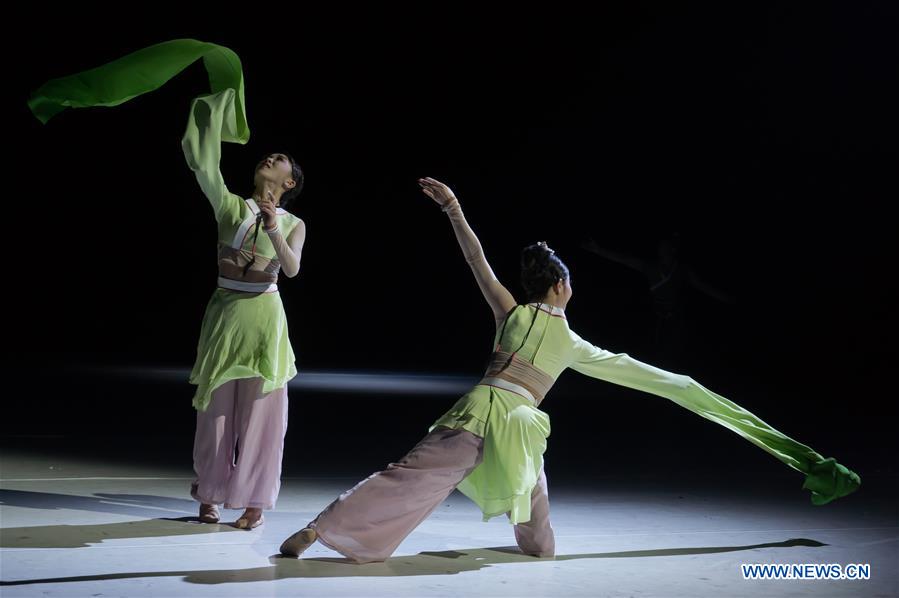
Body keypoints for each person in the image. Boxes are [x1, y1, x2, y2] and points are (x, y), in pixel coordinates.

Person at [279, 177, 858, 563]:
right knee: (431, 479)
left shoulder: (512, 312)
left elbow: (476, 259)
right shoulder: (565, 337)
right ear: (562, 285)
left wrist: (455, 209)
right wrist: (454, 210)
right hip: (501, 420)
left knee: (414, 476)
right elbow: (657, 379)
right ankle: (317, 530)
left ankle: (324, 529)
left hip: (487, 416)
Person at [28, 39, 308, 530]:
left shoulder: (292, 222)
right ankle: (211, 495)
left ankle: (256, 504)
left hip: (265, 319)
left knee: (263, 419)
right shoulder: (229, 205)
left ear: (289, 183)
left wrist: (270, 229)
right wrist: (212, 107)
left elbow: (291, 269)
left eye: (280, 160)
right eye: (270, 156)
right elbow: (203, 164)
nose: (271, 157)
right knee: (215, 413)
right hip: (226, 312)